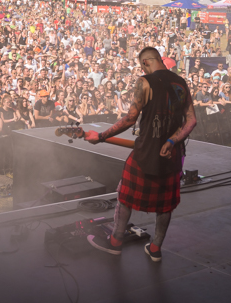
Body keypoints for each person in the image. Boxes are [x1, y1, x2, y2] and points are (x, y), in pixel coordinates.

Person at [83, 47, 197, 261]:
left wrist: (101, 136)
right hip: (173, 155)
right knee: (165, 204)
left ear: (145, 63)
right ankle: (155, 248)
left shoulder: (144, 82)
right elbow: (192, 120)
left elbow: (129, 119)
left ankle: (115, 242)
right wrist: (172, 141)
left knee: (125, 196)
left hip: (146, 152)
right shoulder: (181, 83)